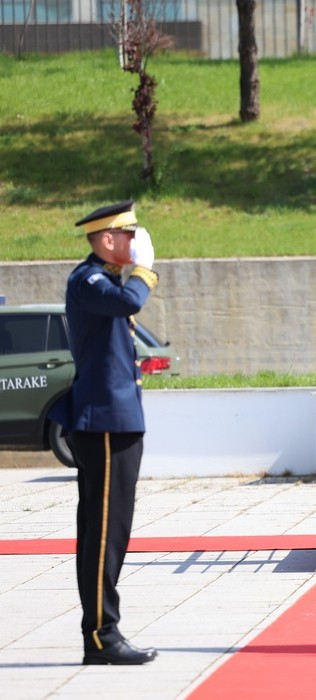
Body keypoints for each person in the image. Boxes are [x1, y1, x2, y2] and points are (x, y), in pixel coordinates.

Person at [48, 199, 159, 665]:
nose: (136, 241)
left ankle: (103, 631)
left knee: (112, 530)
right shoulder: (88, 280)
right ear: (108, 239)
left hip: (117, 421)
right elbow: (130, 301)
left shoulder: (104, 279)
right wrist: (145, 270)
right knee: (104, 533)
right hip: (105, 425)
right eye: (129, 234)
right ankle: (101, 635)